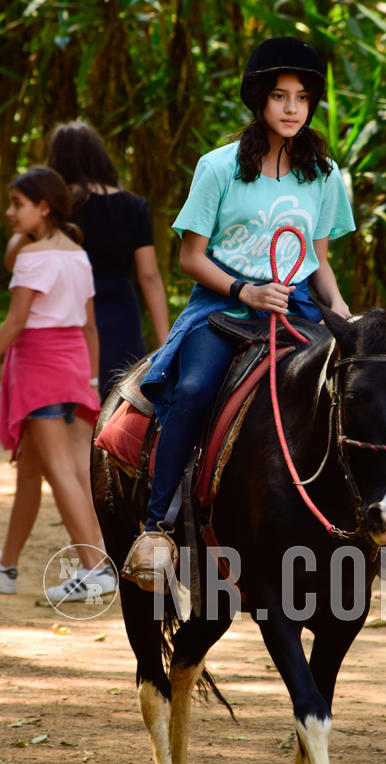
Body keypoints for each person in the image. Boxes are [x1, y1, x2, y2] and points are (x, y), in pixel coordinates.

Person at [121, 36, 355, 589]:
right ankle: (157, 525)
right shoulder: (219, 166)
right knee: (195, 388)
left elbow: (320, 261)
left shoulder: (323, 173)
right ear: (260, 100)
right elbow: (190, 256)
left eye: (302, 97)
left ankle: (371, 522)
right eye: (280, 96)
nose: (292, 108)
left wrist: (344, 313)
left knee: (354, 388)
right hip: (224, 307)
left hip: (298, 305)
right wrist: (244, 290)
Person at [0, 166, 115, 600]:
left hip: (39, 367)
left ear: (44, 207)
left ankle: (95, 569)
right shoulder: (77, 254)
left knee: (60, 471)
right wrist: (92, 378)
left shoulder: (34, 257)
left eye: (18, 204)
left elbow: (15, 323)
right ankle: (6, 567)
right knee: (35, 470)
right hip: (74, 366)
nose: (10, 212)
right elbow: (89, 325)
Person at [46, 121, 170, 398]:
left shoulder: (58, 208)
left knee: (71, 398)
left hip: (69, 308)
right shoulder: (133, 205)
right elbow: (149, 275)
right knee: (117, 397)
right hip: (121, 311)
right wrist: (166, 343)